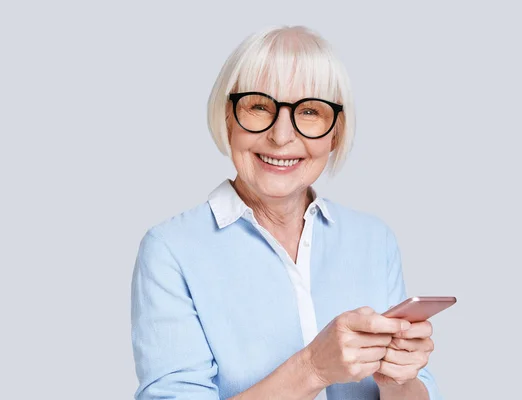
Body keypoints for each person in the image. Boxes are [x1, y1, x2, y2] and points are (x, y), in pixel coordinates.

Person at [131, 25, 443, 400]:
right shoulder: (171, 250)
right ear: (228, 118)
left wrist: (401, 381)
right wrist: (312, 368)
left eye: (309, 111)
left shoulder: (374, 239)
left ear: (335, 134)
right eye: (259, 106)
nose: (281, 136)